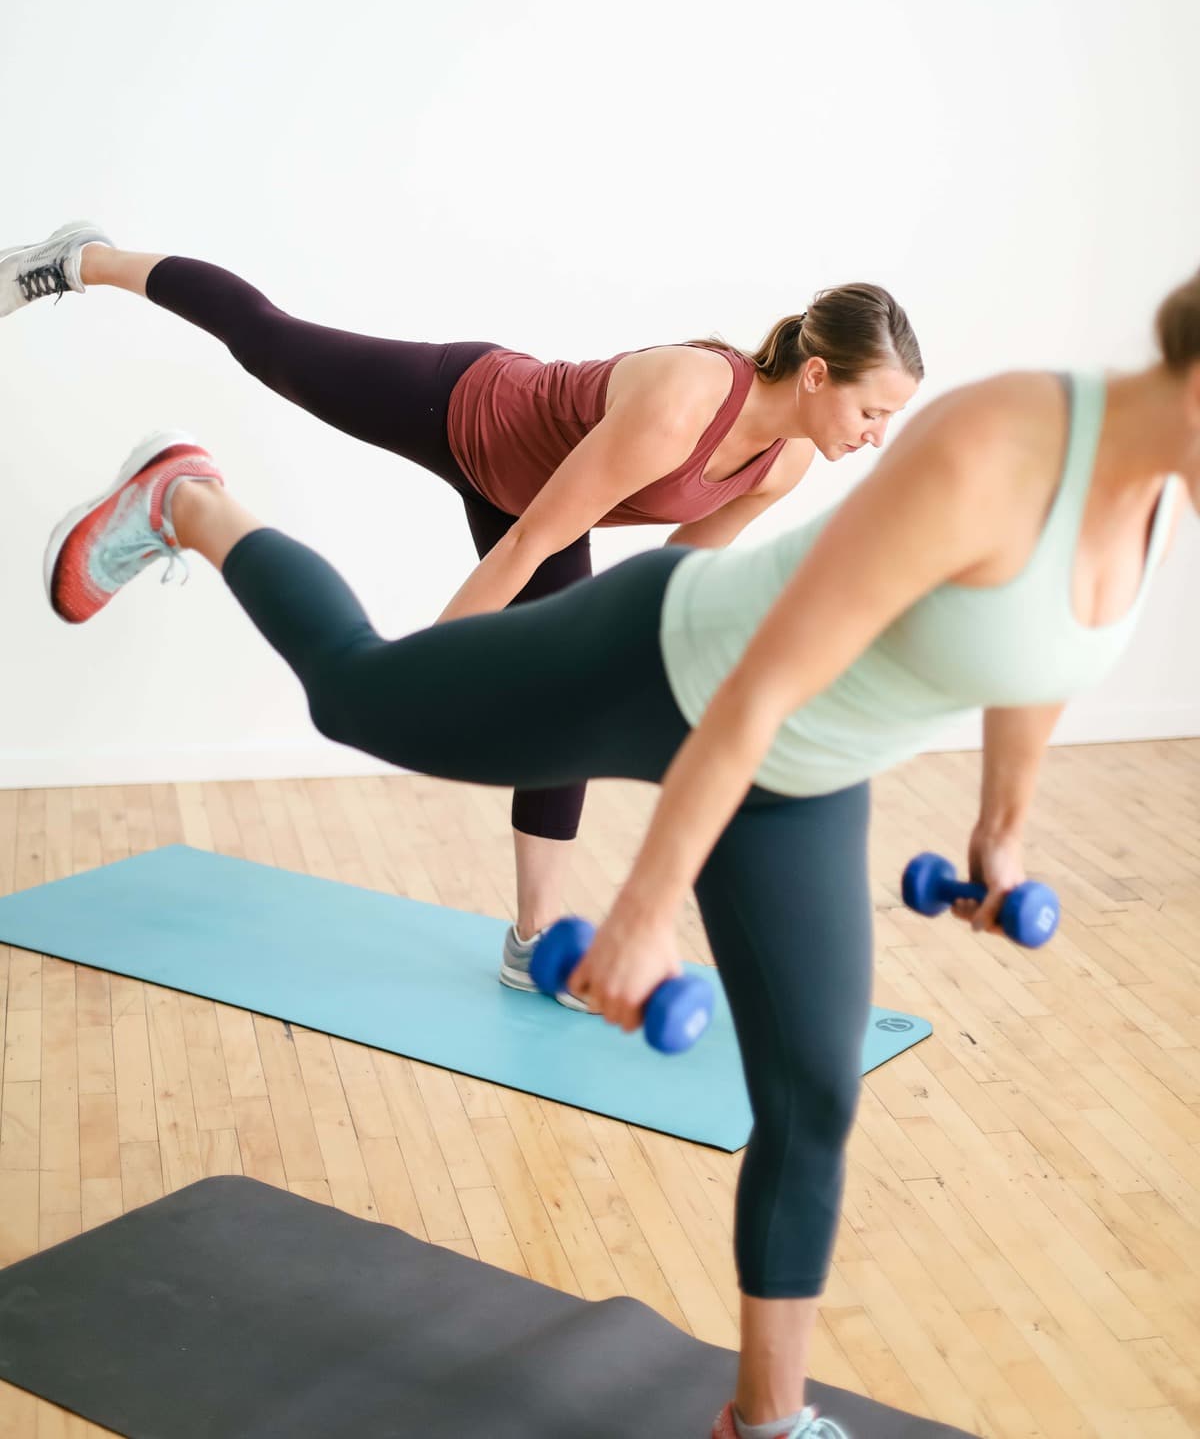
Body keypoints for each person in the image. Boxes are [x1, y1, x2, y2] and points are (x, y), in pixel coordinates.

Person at [40, 264, 1197, 1439]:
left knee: (813, 1093)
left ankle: (769, 1419)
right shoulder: (997, 445)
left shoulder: (1152, 495)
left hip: (800, 771)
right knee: (359, 697)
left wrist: (999, 834)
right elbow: (750, 682)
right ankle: (188, 500)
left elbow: (1039, 659)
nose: (871, 431)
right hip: (673, 665)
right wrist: (643, 910)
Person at [4, 219, 921, 1008]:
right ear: (813, 374)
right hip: (468, 410)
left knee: (571, 709)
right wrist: (416, 679)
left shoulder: (786, 464)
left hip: (535, 507)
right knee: (272, 341)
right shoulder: (690, 401)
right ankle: (85, 259)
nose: (876, 436)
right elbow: (524, 549)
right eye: (872, 410)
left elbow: (671, 588)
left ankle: (532, 939)